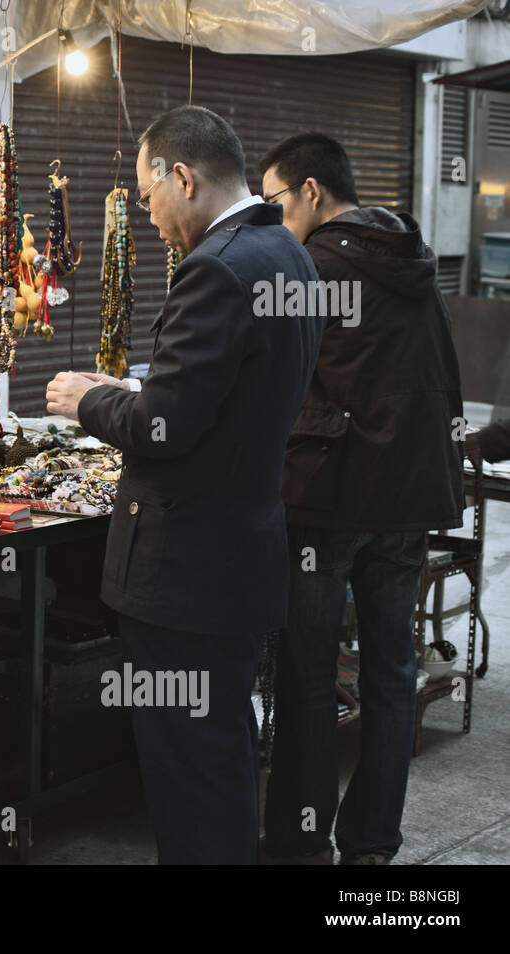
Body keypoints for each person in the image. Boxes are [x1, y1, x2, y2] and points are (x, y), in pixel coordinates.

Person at [45, 106, 322, 864]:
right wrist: (128, 388)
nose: (150, 214)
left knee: (188, 775)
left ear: (183, 177)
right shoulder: (286, 253)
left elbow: (166, 427)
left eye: (147, 196)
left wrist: (87, 400)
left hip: (186, 573)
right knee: (221, 758)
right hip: (238, 557)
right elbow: (219, 399)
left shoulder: (216, 268)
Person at [258, 133, 464, 865]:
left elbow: (273, 382)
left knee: (309, 675)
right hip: (410, 501)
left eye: (276, 201)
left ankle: (300, 841)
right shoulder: (412, 260)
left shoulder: (309, 266)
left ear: (311, 192)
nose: (273, 218)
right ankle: (372, 845)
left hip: (330, 500)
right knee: (389, 673)